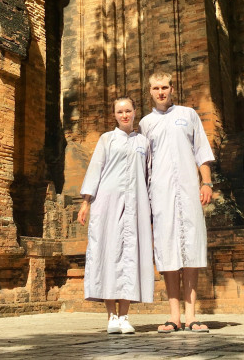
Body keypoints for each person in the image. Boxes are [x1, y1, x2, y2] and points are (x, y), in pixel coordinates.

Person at [139, 71, 216, 333]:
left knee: (191, 250)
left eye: (164, 87)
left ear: (172, 88)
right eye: (156, 88)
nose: (160, 92)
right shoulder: (146, 124)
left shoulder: (188, 115)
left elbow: (201, 150)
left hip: (189, 191)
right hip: (160, 194)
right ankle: (174, 317)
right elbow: (144, 165)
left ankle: (192, 316)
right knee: (167, 251)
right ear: (150, 92)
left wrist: (206, 183)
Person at [77, 97, 154, 334]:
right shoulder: (107, 139)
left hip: (136, 204)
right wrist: (86, 202)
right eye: (120, 112)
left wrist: (153, 206)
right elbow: (95, 169)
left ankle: (124, 316)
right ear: (114, 115)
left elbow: (149, 175)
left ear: (135, 112)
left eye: (128, 110)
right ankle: (111, 316)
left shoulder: (143, 142)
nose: (124, 115)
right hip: (107, 202)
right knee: (108, 253)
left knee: (131, 254)